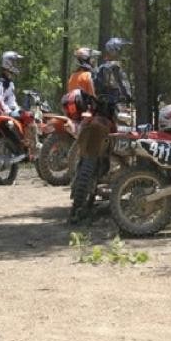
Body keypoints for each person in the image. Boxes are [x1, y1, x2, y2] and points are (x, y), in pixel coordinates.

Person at [70, 37, 132, 223]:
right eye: (121, 50)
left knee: (86, 156)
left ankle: (77, 205)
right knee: (124, 143)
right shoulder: (114, 68)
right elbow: (125, 91)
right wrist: (129, 97)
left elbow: (93, 92)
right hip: (109, 114)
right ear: (116, 50)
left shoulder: (96, 70)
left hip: (96, 113)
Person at [0, 51, 23, 116]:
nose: (16, 64)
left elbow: (11, 100)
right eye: (14, 62)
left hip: (6, 112)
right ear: (8, 63)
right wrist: (9, 112)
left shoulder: (10, 83)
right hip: (0, 113)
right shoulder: (0, 83)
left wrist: (17, 110)